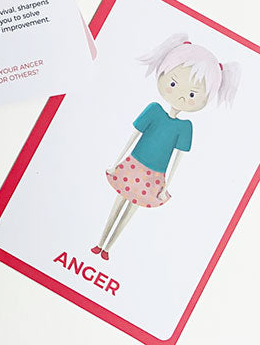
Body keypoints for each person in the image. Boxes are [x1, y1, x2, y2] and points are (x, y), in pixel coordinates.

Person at [92, 34, 240, 259]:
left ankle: (108, 248)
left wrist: (165, 186)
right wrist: (116, 163)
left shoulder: (185, 128)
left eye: (192, 94)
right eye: (173, 83)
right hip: (133, 165)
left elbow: (177, 161)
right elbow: (133, 138)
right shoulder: (153, 110)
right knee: (117, 205)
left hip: (154, 176)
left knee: (130, 212)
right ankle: (100, 242)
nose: (181, 96)